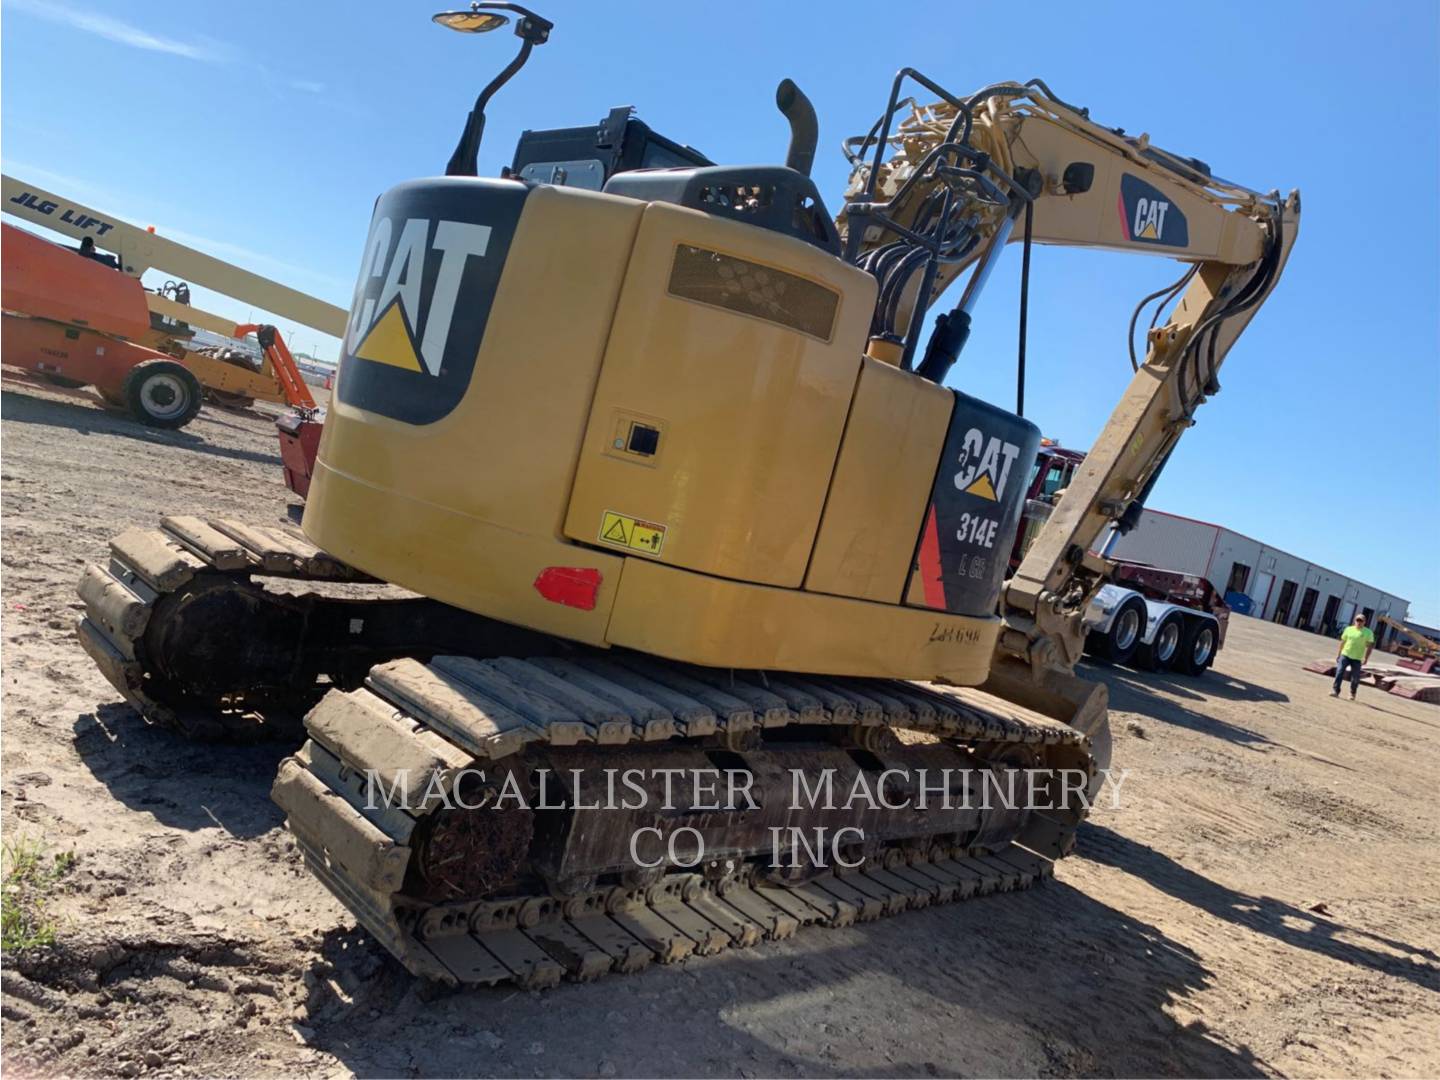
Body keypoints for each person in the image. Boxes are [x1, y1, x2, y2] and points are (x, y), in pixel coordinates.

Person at [1331, 613, 1375, 699]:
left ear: (1364, 622)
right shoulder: (1348, 629)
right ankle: (1335, 690)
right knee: (1339, 672)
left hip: (1357, 658)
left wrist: (1366, 658)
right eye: (1357, 620)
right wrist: (1339, 654)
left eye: (1361, 621)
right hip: (1345, 654)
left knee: (1355, 677)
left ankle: (1352, 693)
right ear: (1354, 621)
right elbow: (1343, 642)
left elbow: (1370, 647)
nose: (1359, 622)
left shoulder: (1368, 632)